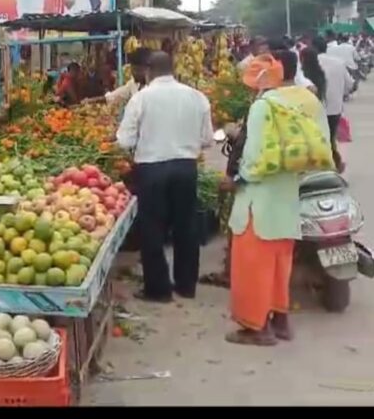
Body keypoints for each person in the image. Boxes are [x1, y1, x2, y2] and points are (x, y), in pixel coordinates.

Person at [224, 51, 330, 346]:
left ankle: (257, 328)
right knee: (279, 264)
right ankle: (280, 321)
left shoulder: (262, 107)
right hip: (287, 196)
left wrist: (237, 178)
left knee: (252, 266)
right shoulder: (301, 101)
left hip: (259, 200)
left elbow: (256, 156)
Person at [116, 52, 214, 302]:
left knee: (152, 228)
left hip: (151, 170)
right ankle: (185, 285)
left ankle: (158, 289)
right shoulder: (196, 97)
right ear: (173, 68)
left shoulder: (141, 98)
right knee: (186, 227)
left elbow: (124, 140)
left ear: (148, 70)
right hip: (185, 168)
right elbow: (207, 140)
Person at [312, 36, 353, 172]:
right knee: (330, 137)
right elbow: (349, 84)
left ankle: (329, 163)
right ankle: (334, 163)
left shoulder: (308, 63)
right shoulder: (339, 63)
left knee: (317, 138)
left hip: (314, 107)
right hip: (335, 108)